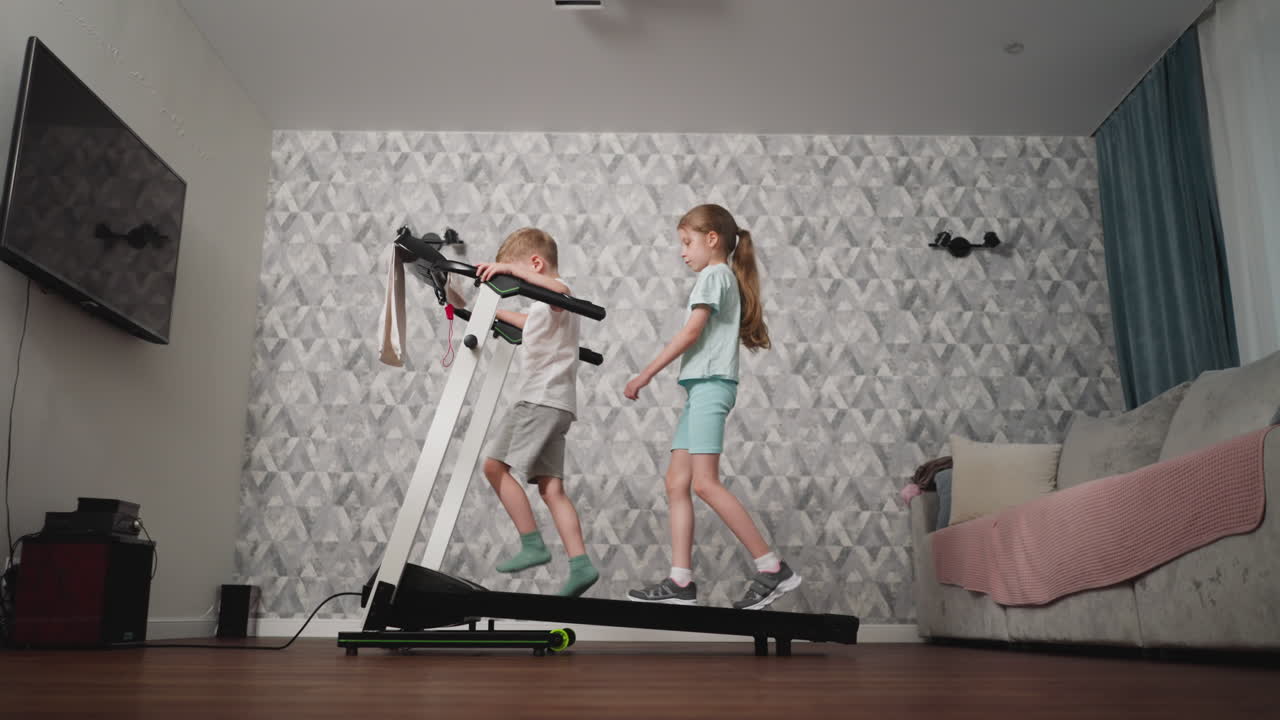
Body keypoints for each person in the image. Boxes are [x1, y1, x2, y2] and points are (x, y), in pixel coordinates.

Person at [623, 204, 800, 610]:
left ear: (712, 239)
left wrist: (645, 374)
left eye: (687, 242)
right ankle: (680, 581)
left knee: (704, 482)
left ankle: (773, 569)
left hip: (710, 388)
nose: (682, 252)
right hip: (701, 389)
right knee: (676, 483)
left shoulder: (713, 276)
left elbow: (690, 333)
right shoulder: (721, 277)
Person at [447, 227, 599, 598]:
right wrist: (481, 310)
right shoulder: (542, 309)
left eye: (517, 271)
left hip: (539, 400)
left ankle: (532, 544)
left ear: (534, 265)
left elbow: (559, 290)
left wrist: (511, 273)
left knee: (494, 466)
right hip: (559, 405)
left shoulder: (556, 293)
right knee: (551, 487)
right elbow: (527, 322)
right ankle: (581, 565)